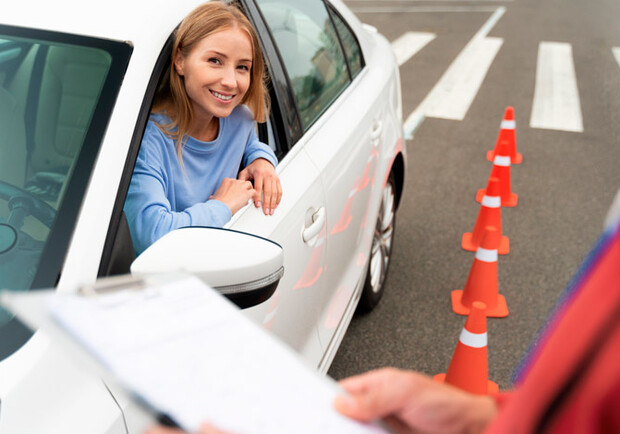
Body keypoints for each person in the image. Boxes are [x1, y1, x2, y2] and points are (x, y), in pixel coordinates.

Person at [124, 1, 281, 256]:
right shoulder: (148, 140)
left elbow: (250, 142)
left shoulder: (239, 119)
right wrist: (221, 206)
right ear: (180, 61)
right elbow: (153, 236)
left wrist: (262, 159)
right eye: (215, 60)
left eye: (242, 67)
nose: (230, 81)